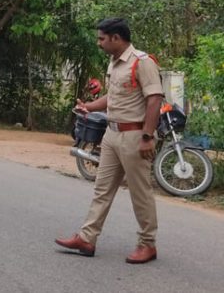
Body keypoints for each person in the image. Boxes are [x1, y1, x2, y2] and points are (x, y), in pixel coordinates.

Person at [55, 18, 163, 264]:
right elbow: (113, 96)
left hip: (135, 136)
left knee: (140, 193)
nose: (99, 42)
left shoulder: (142, 63)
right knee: (101, 189)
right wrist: (89, 107)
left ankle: (148, 244)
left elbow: (155, 99)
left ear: (116, 38)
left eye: (102, 38)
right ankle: (87, 238)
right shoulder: (114, 63)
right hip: (112, 135)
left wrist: (147, 136)